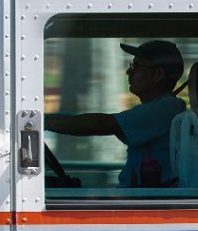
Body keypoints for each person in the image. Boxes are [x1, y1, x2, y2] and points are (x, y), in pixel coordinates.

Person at [46, 39, 186, 187]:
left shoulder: (165, 109)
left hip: (146, 202)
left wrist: (46, 123)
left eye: (136, 66)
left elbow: (102, 124)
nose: (128, 71)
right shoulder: (161, 108)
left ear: (158, 74)